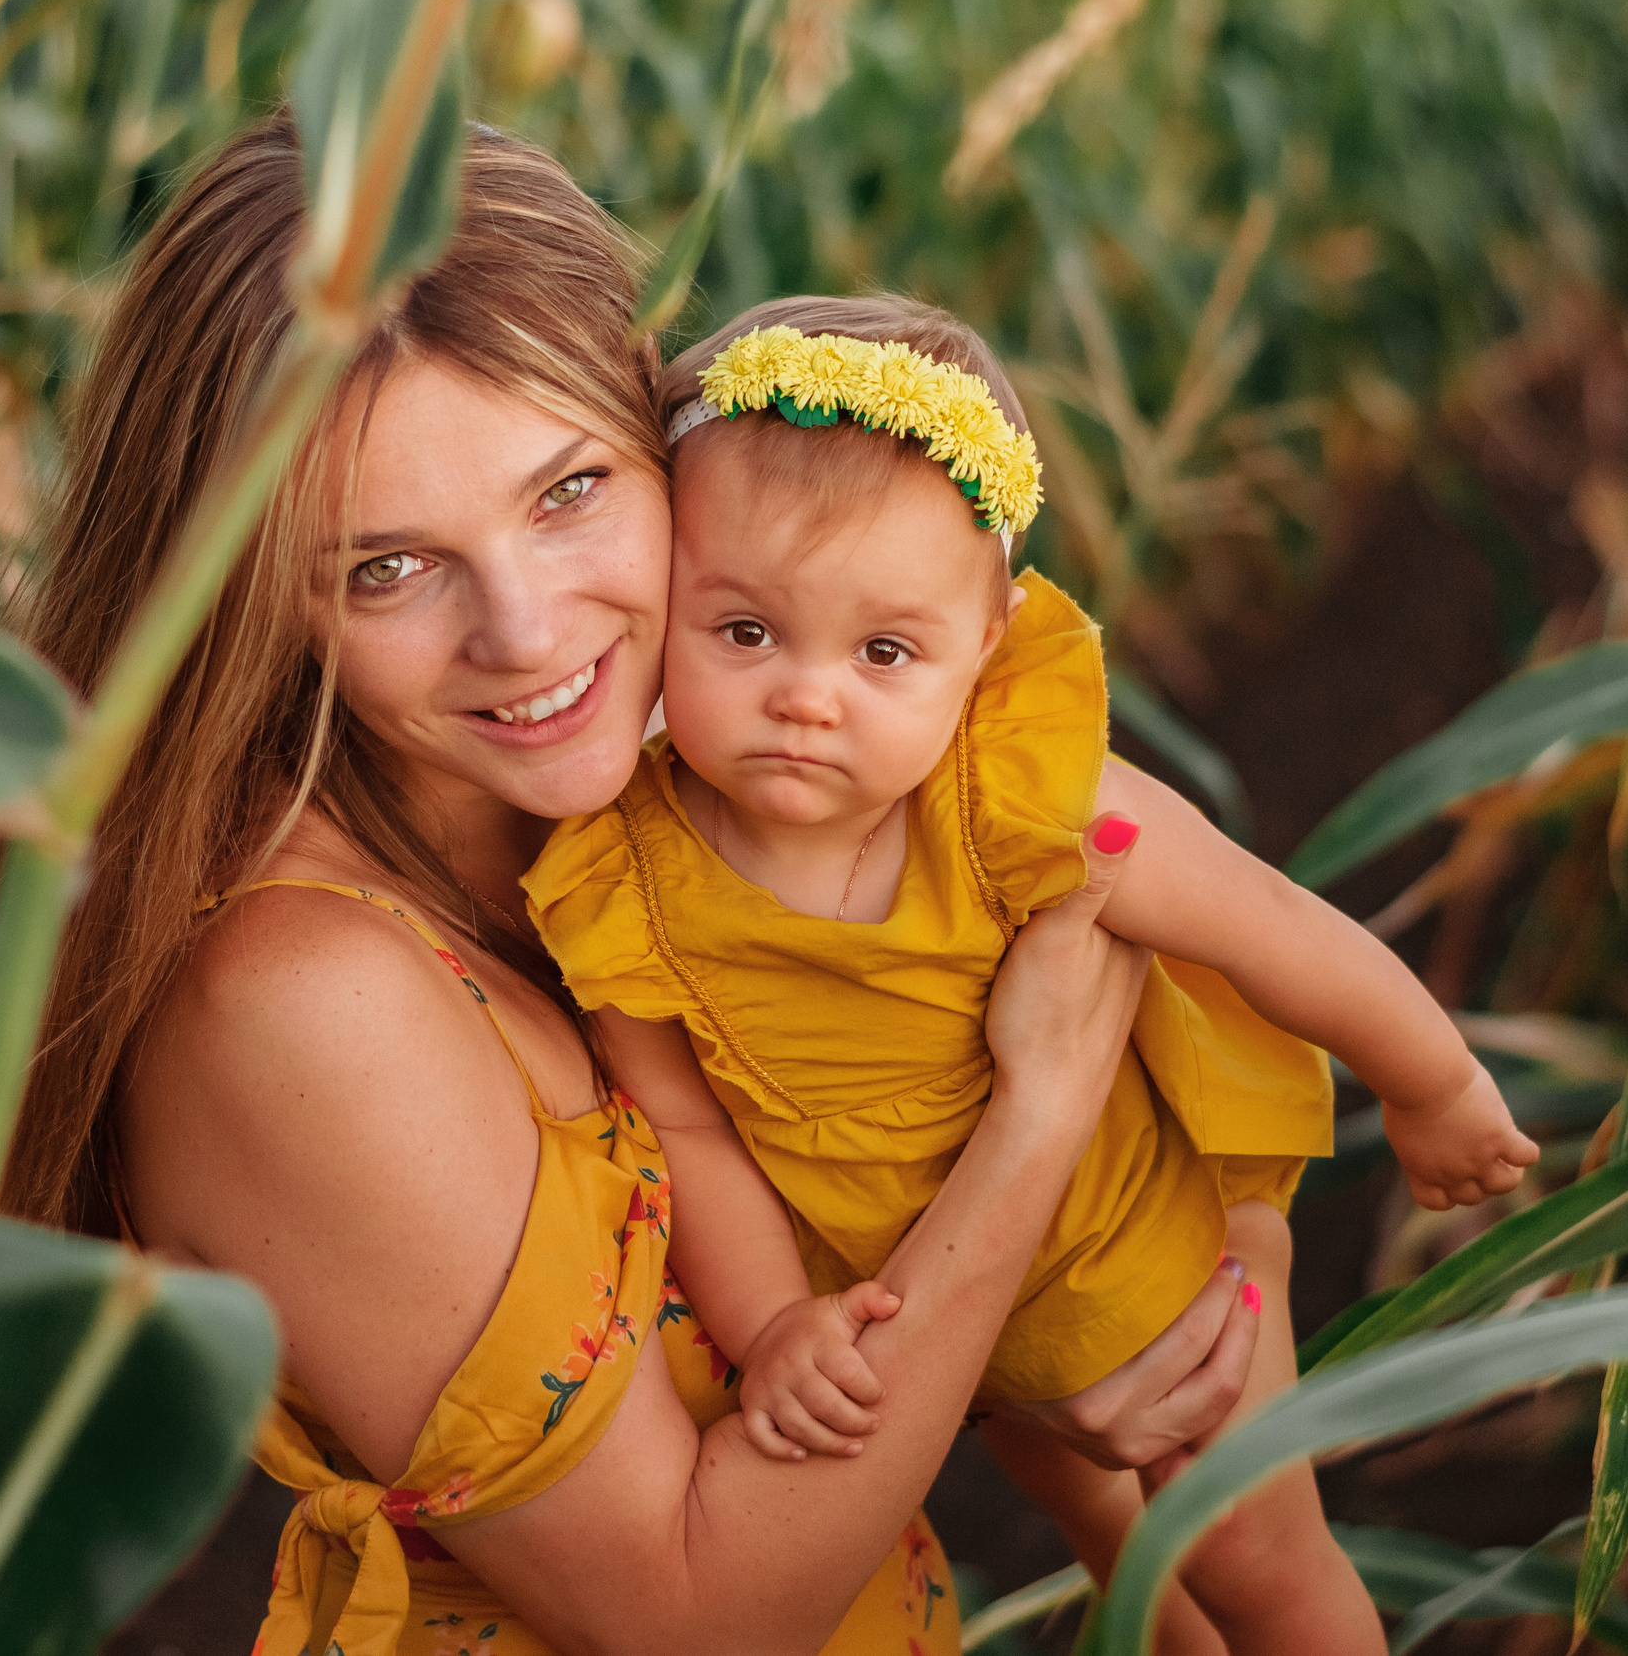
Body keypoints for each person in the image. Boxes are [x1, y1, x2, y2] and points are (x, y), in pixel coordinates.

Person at [0, 116, 1263, 1656]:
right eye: (384, 567)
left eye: (570, 490)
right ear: (246, 589)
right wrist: (1039, 1128)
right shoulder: (301, 1001)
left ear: (661, 418)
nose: (525, 632)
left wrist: (1194, 1283)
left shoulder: (709, 776)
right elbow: (699, 1612)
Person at [520, 296, 1542, 1654]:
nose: (808, 696)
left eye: (884, 652)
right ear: (664, 603)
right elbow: (690, 1125)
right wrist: (772, 1327)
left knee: (1253, 1554)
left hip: (1146, 1262)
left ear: (986, 643)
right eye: (746, 633)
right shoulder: (623, 884)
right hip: (952, 1302)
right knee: (1120, 1553)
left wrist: (1434, 1082)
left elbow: (1264, 923)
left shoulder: (1011, 792)